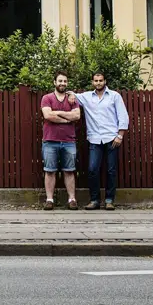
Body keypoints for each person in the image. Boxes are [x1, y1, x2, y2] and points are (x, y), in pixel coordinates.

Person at [78, 72, 129, 210]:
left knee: (111, 170)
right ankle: (94, 200)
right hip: (94, 138)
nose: (98, 83)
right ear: (92, 82)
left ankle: (109, 200)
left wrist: (120, 135)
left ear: (105, 81)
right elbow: (70, 97)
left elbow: (123, 116)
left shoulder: (114, 96)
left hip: (112, 138)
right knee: (92, 169)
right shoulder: (86, 97)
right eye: (96, 80)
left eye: (101, 80)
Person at [40, 72, 81, 210]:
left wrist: (57, 113)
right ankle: (49, 199)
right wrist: (67, 119)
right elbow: (47, 115)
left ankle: (72, 199)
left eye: (65, 81)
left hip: (69, 141)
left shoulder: (72, 99)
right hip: (50, 140)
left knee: (69, 170)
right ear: (54, 82)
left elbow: (76, 116)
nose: (62, 83)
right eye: (60, 81)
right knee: (50, 170)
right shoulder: (47, 98)